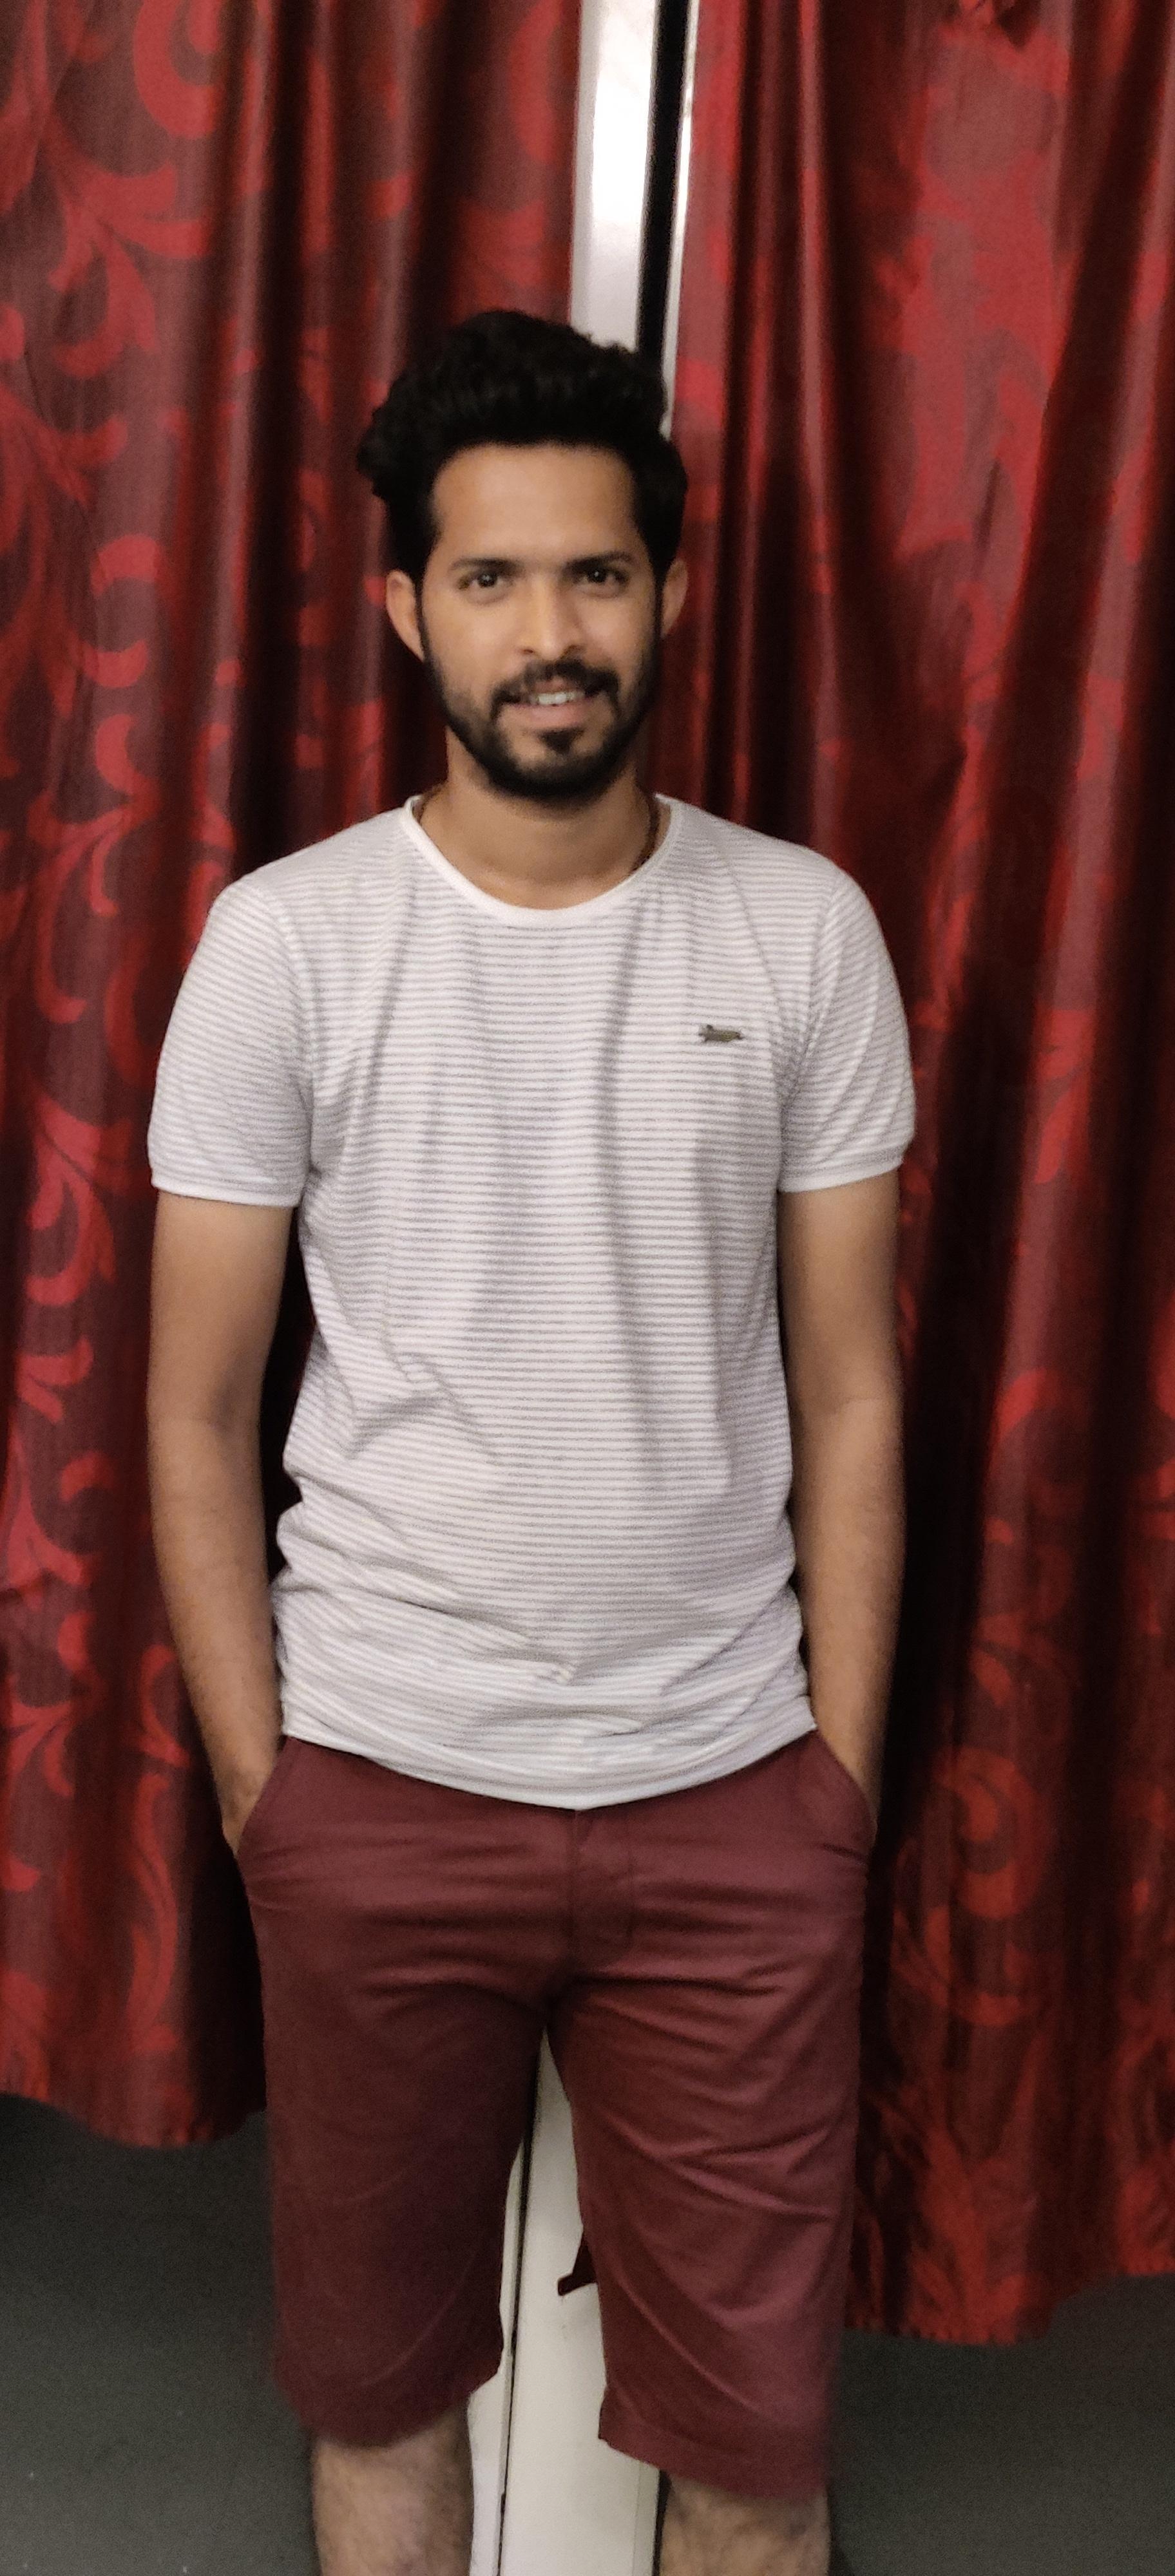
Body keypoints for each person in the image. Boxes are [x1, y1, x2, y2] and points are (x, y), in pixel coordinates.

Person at [146, 308, 914, 2576]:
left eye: (594, 574)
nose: (549, 632)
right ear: (410, 609)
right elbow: (193, 1405)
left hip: (732, 1801)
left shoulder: (802, 933)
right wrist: (267, 1796)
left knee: (760, 2463)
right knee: (383, 2413)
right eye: (491, 578)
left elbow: (855, 1386)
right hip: (378, 1788)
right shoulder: (285, 947)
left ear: (667, 594)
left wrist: (833, 1788)